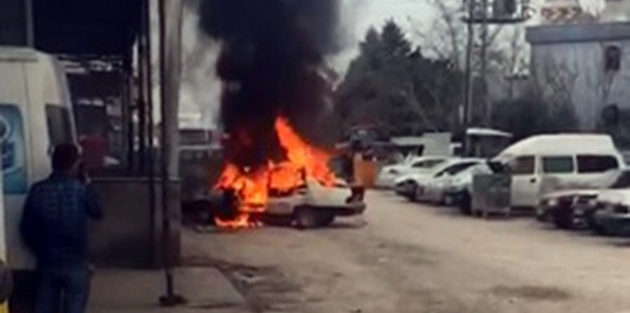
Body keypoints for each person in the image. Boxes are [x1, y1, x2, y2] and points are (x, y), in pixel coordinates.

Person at [20, 143, 102, 313]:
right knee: (74, 306)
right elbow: (98, 212)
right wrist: (87, 182)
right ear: (75, 164)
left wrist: (39, 250)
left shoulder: (38, 190)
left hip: (47, 261)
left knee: (44, 306)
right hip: (76, 260)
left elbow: (26, 227)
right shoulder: (80, 190)